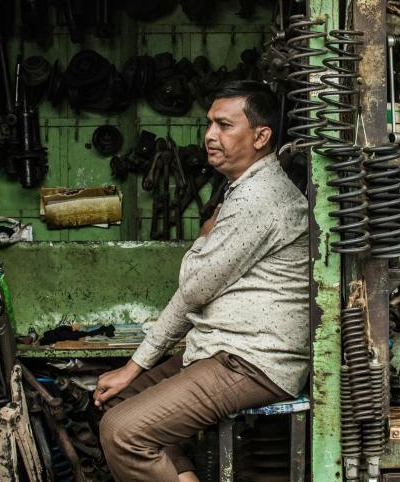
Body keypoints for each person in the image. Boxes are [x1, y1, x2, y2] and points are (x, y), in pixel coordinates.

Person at [94, 80, 309, 482]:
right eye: (209, 123)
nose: (210, 135)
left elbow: (193, 288)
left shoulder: (259, 197)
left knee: (123, 432)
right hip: (219, 350)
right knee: (116, 398)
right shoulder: (241, 190)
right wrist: (134, 366)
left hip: (253, 361)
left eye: (224, 125)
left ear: (261, 137)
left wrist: (204, 237)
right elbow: (194, 293)